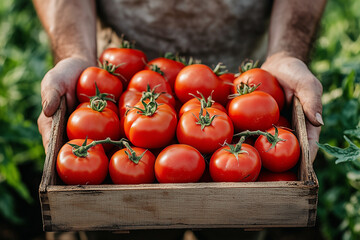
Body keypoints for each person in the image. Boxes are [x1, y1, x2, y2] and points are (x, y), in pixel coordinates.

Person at [34, 0, 325, 239]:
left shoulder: (210, 115)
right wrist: (74, 53)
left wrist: (286, 51)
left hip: (250, 73)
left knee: (237, 229)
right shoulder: (159, 112)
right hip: (110, 61)